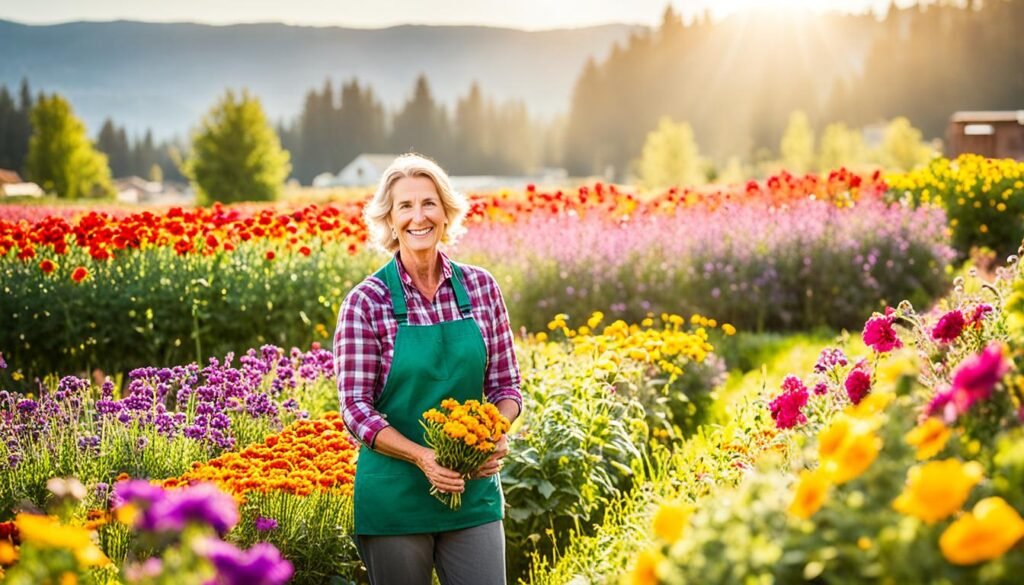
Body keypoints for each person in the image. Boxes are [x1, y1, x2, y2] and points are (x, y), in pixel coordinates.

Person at [333, 153, 523, 585]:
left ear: (446, 212)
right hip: (395, 499)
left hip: (472, 490)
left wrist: (493, 433)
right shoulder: (366, 303)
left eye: (429, 203)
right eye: (406, 206)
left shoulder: (481, 288)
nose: (419, 216)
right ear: (390, 219)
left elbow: (506, 386)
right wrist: (423, 457)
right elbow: (355, 408)